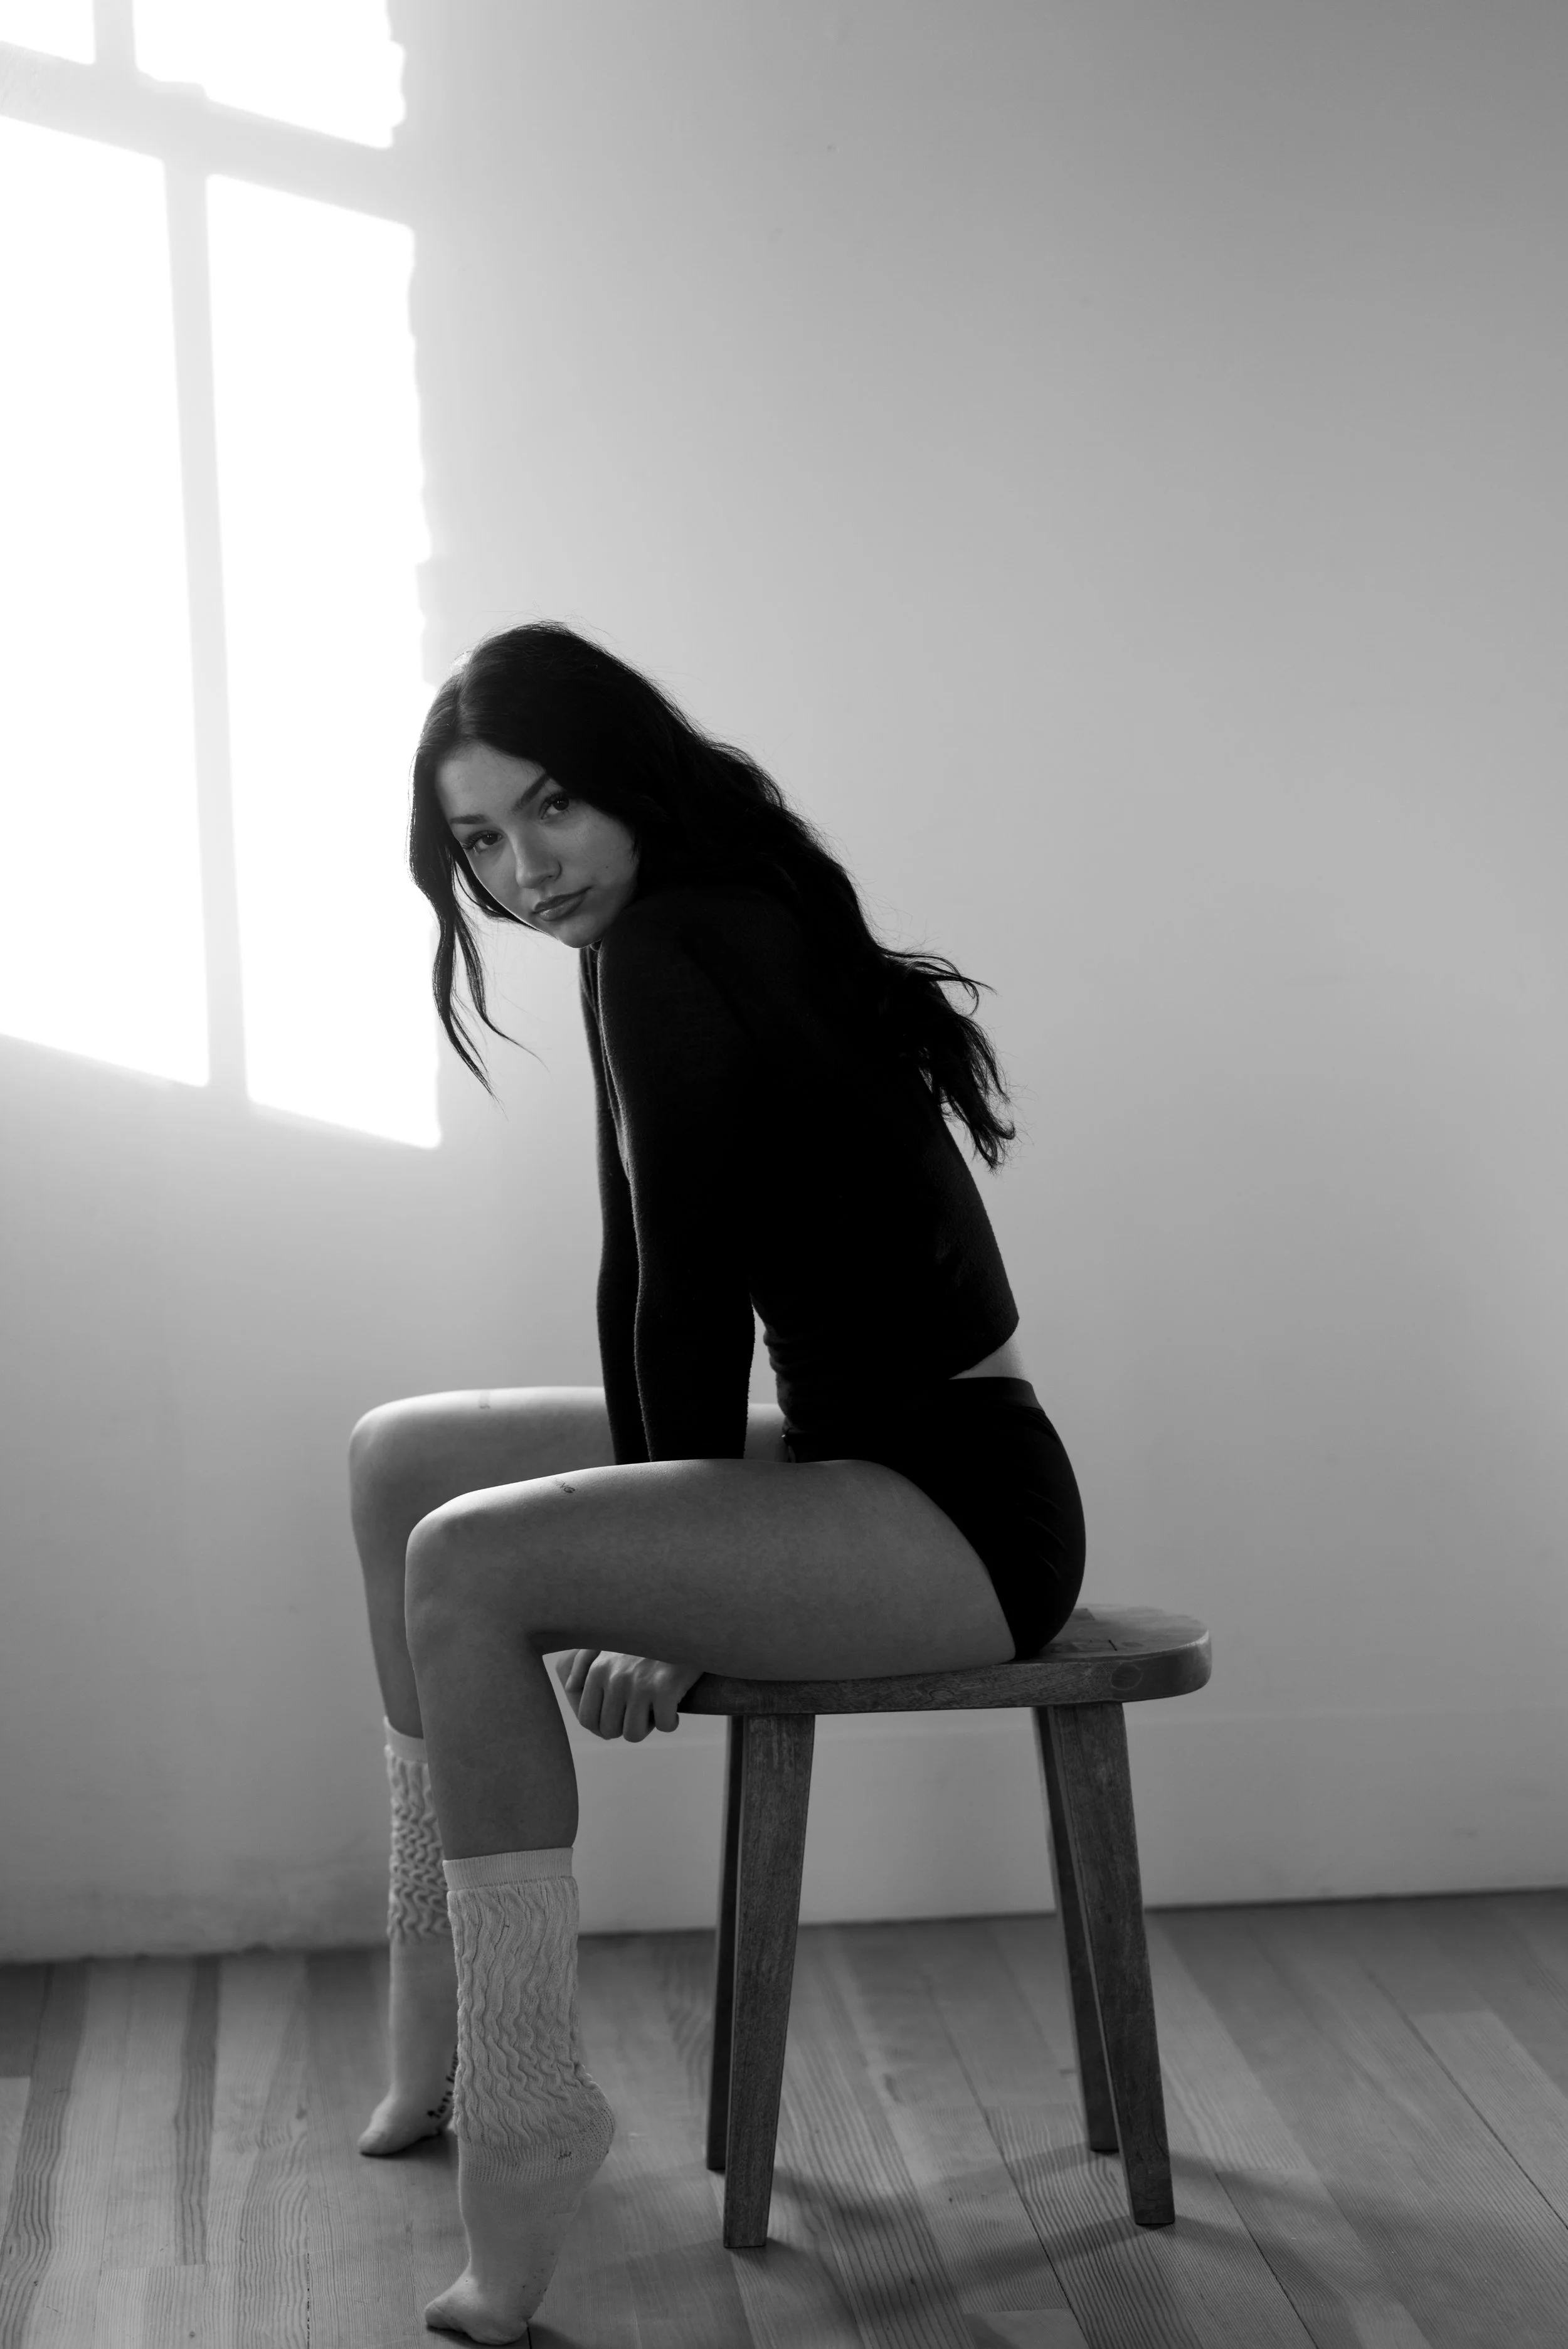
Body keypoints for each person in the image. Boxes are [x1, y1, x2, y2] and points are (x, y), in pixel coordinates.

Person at [347, 621, 1086, 2343]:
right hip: (866, 1469)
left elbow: (686, 1299)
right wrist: (655, 1541)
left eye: (550, 811)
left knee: (464, 1561)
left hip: (956, 1513)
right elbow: (638, 1281)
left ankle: (527, 2129)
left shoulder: (688, 936)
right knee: (408, 1465)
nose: (526, 870)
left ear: (624, 780)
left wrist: (654, 1578)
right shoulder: (672, 928)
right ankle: (438, 2016)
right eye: (480, 841)